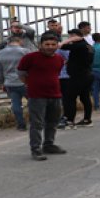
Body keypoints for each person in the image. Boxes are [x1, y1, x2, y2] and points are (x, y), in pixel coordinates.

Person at [17, 32, 67, 161]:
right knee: (37, 124)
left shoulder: (59, 59)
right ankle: (36, 149)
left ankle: (49, 145)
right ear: (40, 45)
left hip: (55, 94)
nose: (50, 47)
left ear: (57, 45)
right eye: (47, 44)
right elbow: (21, 74)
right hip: (37, 96)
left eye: (53, 44)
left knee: (53, 122)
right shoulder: (30, 57)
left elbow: (55, 74)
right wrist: (32, 84)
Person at [60, 28, 94, 128]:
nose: (69, 38)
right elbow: (80, 58)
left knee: (69, 98)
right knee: (85, 98)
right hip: (87, 75)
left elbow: (61, 46)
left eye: (71, 36)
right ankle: (87, 119)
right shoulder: (89, 46)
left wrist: (70, 40)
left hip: (77, 76)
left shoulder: (78, 45)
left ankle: (69, 121)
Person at [0, 36, 30, 130]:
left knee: (16, 104)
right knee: (33, 102)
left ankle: (21, 125)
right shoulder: (25, 51)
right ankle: (37, 121)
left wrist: (2, 82)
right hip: (25, 82)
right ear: (20, 41)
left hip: (10, 82)